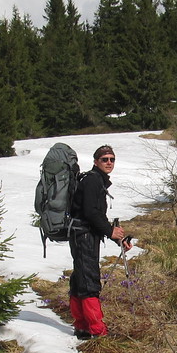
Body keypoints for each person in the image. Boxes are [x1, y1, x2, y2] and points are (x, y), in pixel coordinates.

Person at [68, 144, 129, 339]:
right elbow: (91, 213)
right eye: (105, 159)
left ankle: (82, 327)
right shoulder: (93, 180)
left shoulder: (95, 179)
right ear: (96, 162)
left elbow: (95, 215)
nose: (109, 163)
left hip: (82, 235)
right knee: (89, 282)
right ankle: (97, 330)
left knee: (80, 279)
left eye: (112, 159)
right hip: (84, 236)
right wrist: (111, 232)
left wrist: (117, 238)